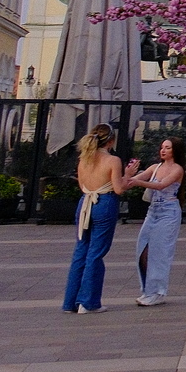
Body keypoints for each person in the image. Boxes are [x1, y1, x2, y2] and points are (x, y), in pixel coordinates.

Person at [62, 124, 125, 314]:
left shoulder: (84, 160)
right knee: (96, 253)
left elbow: (82, 186)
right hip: (104, 203)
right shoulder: (113, 160)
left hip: (85, 202)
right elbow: (119, 188)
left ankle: (70, 301)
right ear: (111, 141)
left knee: (81, 250)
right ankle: (88, 302)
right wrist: (128, 176)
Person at [126, 138, 186, 307]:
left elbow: (162, 186)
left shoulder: (177, 169)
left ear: (175, 150)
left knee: (160, 253)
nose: (163, 150)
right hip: (153, 212)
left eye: (168, 148)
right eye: (162, 147)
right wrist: (128, 175)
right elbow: (128, 183)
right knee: (142, 250)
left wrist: (138, 182)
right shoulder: (155, 168)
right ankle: (147, 289)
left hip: (168, 213)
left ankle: (157, 291)